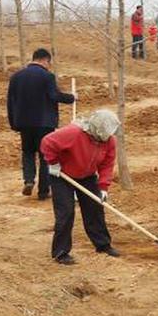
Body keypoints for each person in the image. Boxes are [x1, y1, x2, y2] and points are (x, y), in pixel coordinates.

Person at [40, 110, 121, 265]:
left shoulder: (109, 141)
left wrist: (103, 187)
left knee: (95, 208)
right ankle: (61, 252)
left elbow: (107, 165)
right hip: (62, 176)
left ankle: (103, 245)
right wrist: (53, 162)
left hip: (87, 176)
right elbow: (47, 142)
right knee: (66, 212)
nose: (110, 135)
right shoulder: (73, 133)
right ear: (98, 128)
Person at [7, 48, 76, 199]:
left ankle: (29, 180)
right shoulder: (47, 76)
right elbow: (54, 95)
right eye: (48, 63)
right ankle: (43, 191)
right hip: (44, 122)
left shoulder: (16, 77)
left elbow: (10, 102)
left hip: (24, 122)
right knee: (45, 155)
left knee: (28, 152)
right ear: (45, 60)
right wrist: (71, 98)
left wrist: (13, 122)